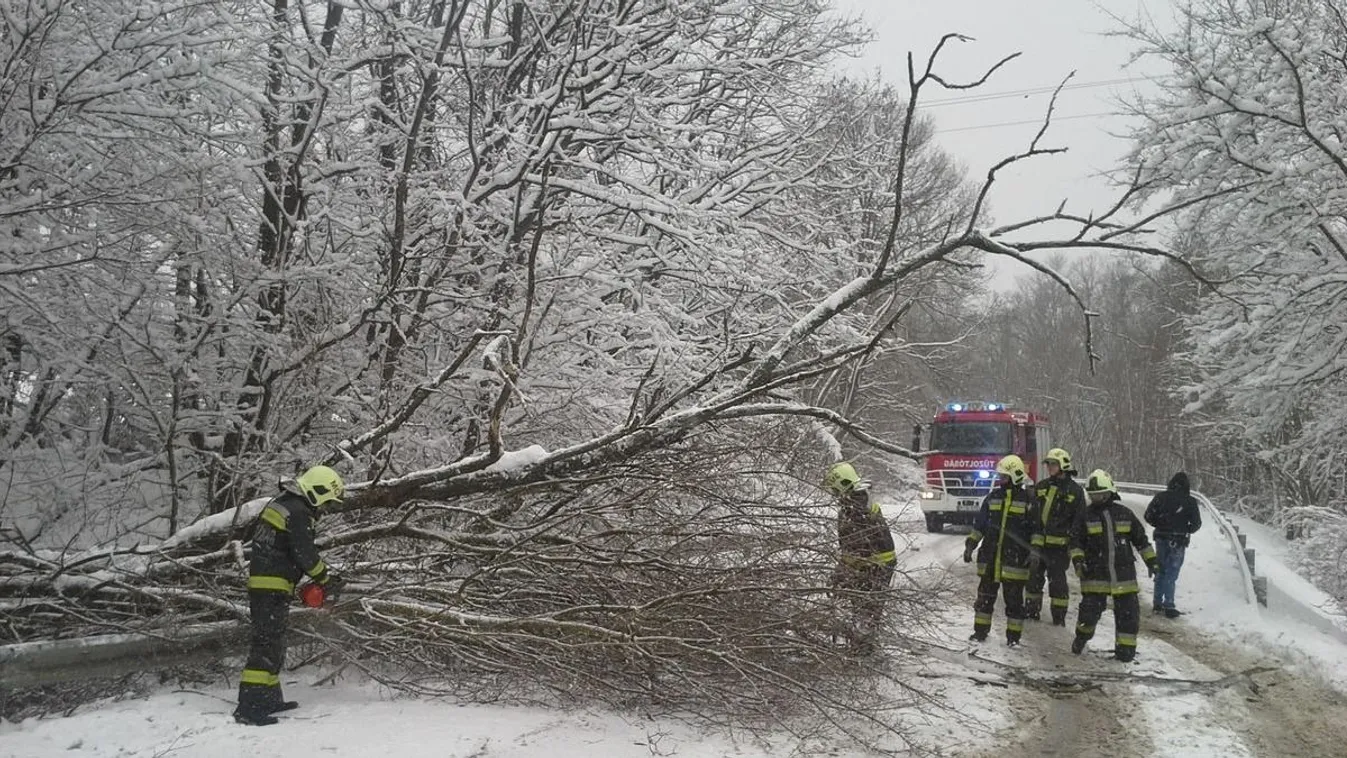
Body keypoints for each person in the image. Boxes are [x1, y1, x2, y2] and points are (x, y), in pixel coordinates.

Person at [234, 465, 345, 726]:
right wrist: (326, 579)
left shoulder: (286, 503)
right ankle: (249, 709)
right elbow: (304, 553)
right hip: (270, 586)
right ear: (318, 491)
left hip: (271, 584)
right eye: (327, 502)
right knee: (266, 645)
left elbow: (285, 548)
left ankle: (269, 699)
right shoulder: (298, 511)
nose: (325, 509)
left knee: (274, 644)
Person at [1069, 470, 1159, 663]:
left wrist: (1152, 561)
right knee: (1088, 615)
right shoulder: (1085, 516)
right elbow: (1075, 542)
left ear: (1109, 492)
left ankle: (1125, 652)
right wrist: (1078, 561)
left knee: (1129, 617)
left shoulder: (1124, 513)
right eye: (1092, 495)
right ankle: (1081, 637)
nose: (1095, 498)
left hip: (1124, 577)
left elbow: (1141, 541)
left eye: (1099, 494)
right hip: (1095, 575)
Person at [964, 454, 1039, 646]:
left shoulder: (1028, 501)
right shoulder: (992, 498)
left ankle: (1013, 638)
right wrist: (971, 544)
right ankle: (980, 632)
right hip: (990, 559)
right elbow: (980, 526)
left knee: (1014, 603)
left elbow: (1037, 530)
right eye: (1000, 476)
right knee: (984, 599)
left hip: (1015, 562)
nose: (1000, 479)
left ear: (1015, 476)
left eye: (1004, 476)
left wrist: (1034, 552)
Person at [825, 462, 897, 654]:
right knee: (864, 606)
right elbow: (852, 548)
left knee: (866, 608)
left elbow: (857, 547)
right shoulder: (857, 500)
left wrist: (844, 572)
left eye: (834, 489)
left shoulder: (855, 507)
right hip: (875, 563)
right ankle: (862, 644)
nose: (833, 494)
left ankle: (863, 648)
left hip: (875, 565)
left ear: (842, 484)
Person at [1027, 448, 1085, 626]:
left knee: (1058, 584)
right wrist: (1033, 546)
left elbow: (1079, 522)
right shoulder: (1042, 486)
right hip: (1039, 546)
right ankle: (1031, 612)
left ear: (1063, 466)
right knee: (1033, 579)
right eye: (1048, 464)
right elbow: (1034, 518)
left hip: (1060, 549)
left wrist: (1075, 548)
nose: (1050, 467)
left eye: (1053, 464)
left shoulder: (1075, 491)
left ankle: (1059, 618)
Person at [1144, 471, 1203, 618]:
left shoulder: (1160, 497)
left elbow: (1148, 516)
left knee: (1160, 569)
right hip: (1179, 539)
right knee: (1172, 571)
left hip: (1161, 537)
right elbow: (1196, 523)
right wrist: (1186, 529)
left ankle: (1157, 602)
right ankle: (1169, 604)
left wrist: (1159, 524)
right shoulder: (1189, 501)